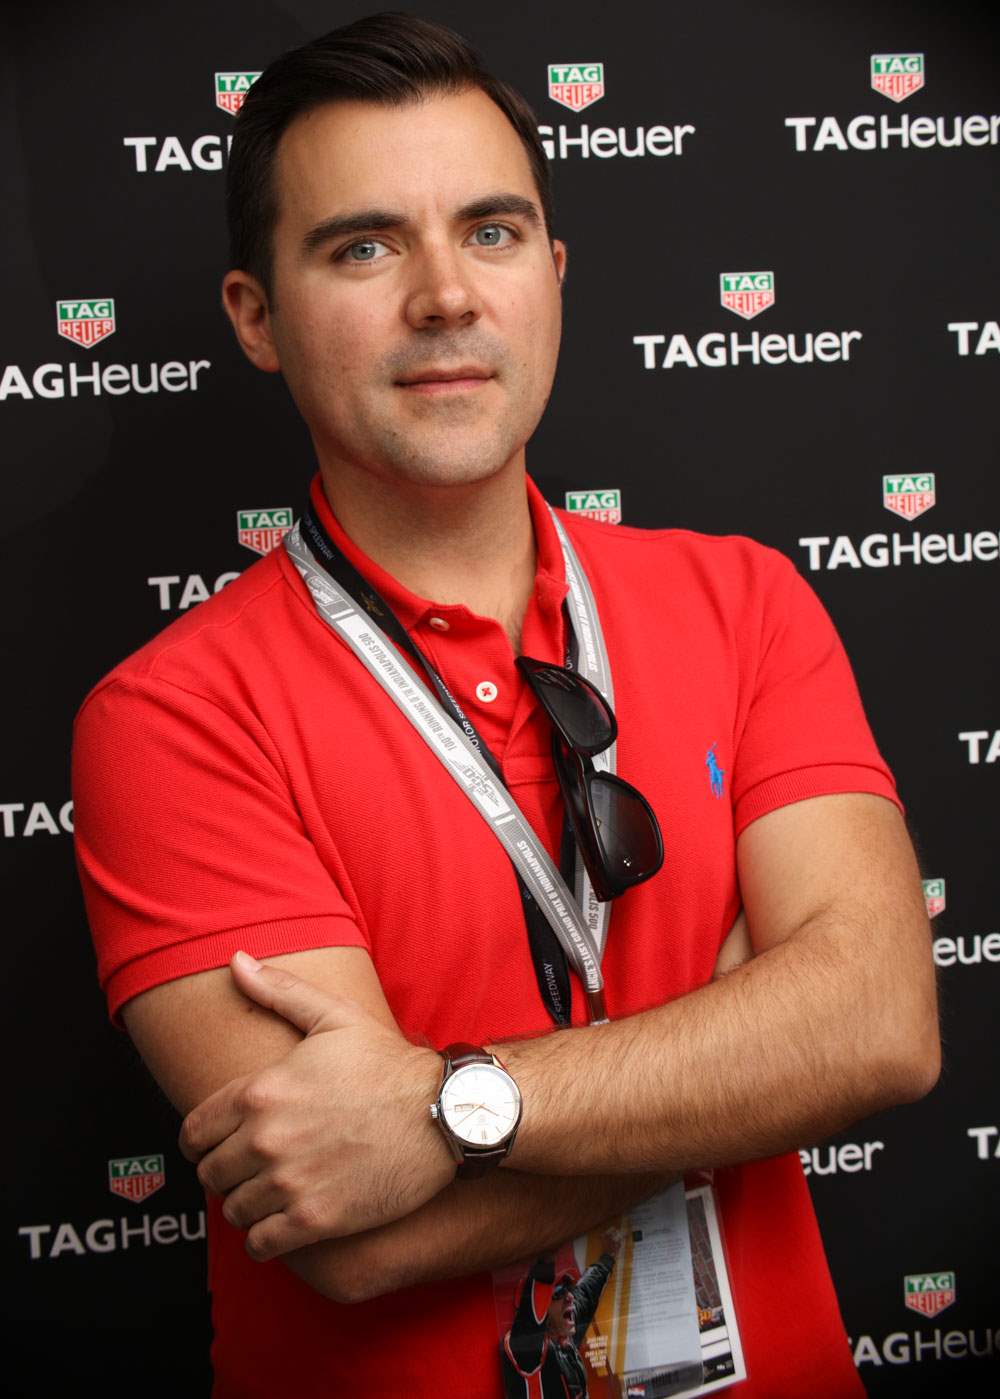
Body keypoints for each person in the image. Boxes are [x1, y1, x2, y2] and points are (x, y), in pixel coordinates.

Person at [72, 13, 940, 1398]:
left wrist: (447, 1107)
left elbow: (878, 1024)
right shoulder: (170, 716)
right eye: (364, 246)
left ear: (552, 271)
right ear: (255, 316)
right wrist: (745, 1043)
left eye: (490, 231)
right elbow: (353, 1227)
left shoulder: (747, 601)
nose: (444, 296)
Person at [502, 1230, 622, 1399]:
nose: (569, 1297)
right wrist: (547, 1256)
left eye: (568, 1289)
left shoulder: (562, 1330)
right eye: (558, 1292)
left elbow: (586, 1292)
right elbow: (531, 1310)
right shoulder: (525, 1346)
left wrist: (609, 1256)